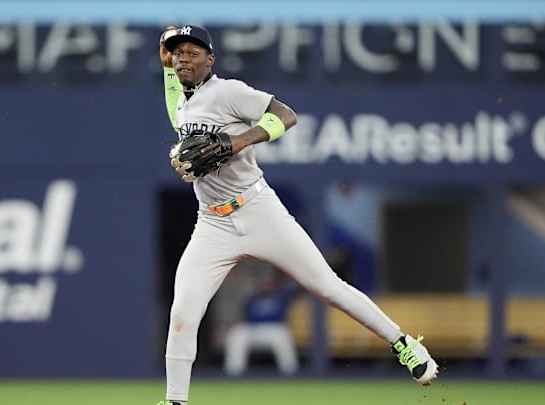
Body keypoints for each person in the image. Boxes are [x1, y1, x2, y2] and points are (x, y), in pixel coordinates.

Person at [157, 24, 438, 405]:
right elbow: (177, 104)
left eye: (193, 52)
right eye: (178, 53)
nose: (183, 57)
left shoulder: (229, 91)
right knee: (183, 312)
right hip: (212, 223)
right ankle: (175, 401)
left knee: (327, 286)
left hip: (257, 209)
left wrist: (239, 141)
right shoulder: (184, 102)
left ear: (211, 59)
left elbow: (286, 115)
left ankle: (405, 345)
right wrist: (166, 70)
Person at [223, 267, 300, 376]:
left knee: (282, 334)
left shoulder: (282, 296)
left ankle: (290, 372)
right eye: (264, 283)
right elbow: (246, 316)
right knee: (238, 333)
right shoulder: (253, 298)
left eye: (269, 283)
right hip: (254, 329)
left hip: (273, 329)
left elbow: (295, 288)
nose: (267, 285)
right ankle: (234, 373)